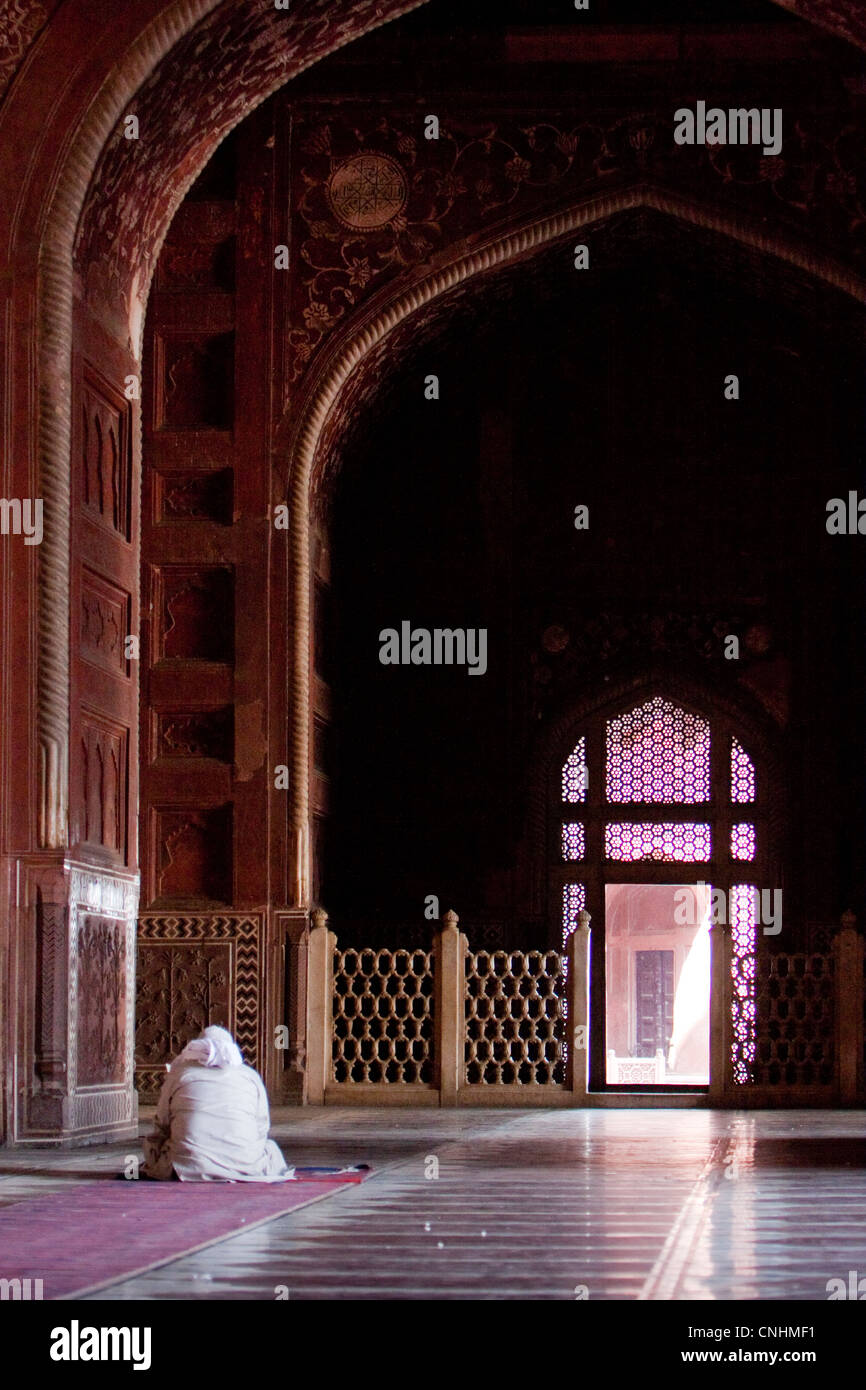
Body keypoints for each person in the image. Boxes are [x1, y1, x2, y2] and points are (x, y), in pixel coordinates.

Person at [142, 1025, 294, 1182]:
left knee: (154, 1146)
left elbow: (162, 1123)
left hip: (187, 1165)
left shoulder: (179, 1074)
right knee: (270, 1148)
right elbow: (261, 1126)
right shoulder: (250, 1076)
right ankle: (240, 1162)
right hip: (246, 1164)